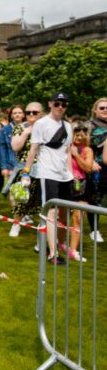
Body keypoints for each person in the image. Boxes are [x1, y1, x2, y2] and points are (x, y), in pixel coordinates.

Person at [22, 93, 73, 265]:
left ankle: (46, 243)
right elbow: (33, 149)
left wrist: (72, 175)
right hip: (47, 172)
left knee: (64, 213)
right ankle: (53, 253)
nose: (60, 107)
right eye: (57, 103)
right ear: (50, 104)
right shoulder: (41, 124)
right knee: (50, 212)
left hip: (64, 174)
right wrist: (26, 172)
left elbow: (67, 152)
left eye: (64, 104)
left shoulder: (68, 126)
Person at [68, 123, 95, 261]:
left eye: (82, 133)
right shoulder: (64, 148)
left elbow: (88, 168)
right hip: (65, 184)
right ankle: (57, 244)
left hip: (82, 187)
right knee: (60, 216)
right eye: (76, 133)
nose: (79, 136)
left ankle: (73, 250)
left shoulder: (87, 150)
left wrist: (76, 155)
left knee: (78, 218)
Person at [88, 97, 107, 243]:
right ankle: (94, 230)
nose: (105, 110)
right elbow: (84, 144)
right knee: (95, 198)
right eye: (102, 108)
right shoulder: (90, 125)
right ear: (95, 110)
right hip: (98, 167)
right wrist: (91, 160)